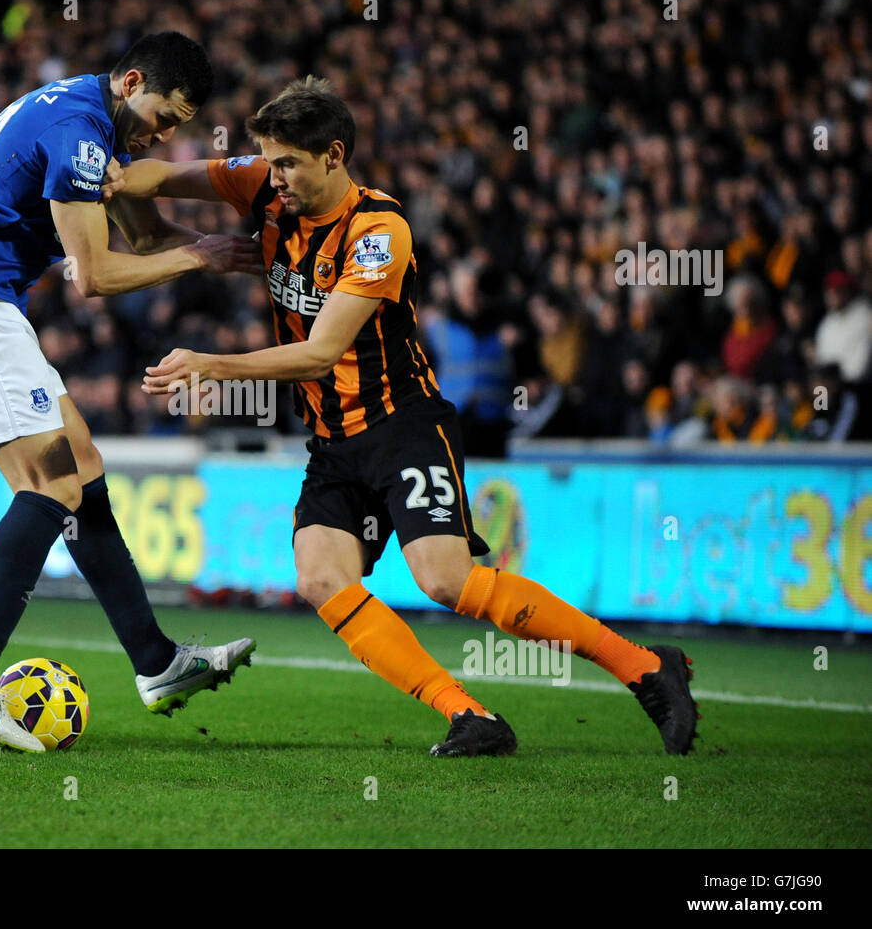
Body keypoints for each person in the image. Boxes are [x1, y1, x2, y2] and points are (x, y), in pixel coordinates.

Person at [120, 77, 699, 756]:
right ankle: (470, 715)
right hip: (334, 440)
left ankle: (645, 667)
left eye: (288, 164)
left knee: (446, 580)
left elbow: (320, 352)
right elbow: (154, 177)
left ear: (334, 155)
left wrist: (212, 365)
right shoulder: (261, 185)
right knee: (319, 576)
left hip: (403, 425)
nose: (272, 178)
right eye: (268, 162)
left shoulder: (378, 232)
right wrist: (98, 168)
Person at [0, 32, 263, 753]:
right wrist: (200, 256)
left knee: (81, 471)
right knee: (54, 484)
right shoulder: (80, 133)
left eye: (180, 124)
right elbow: (92, 275)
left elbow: (148, 237)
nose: (166, 132)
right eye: (164, 114)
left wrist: (226, 255)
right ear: (130, 82)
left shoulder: (97, 125)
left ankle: (157, 664)